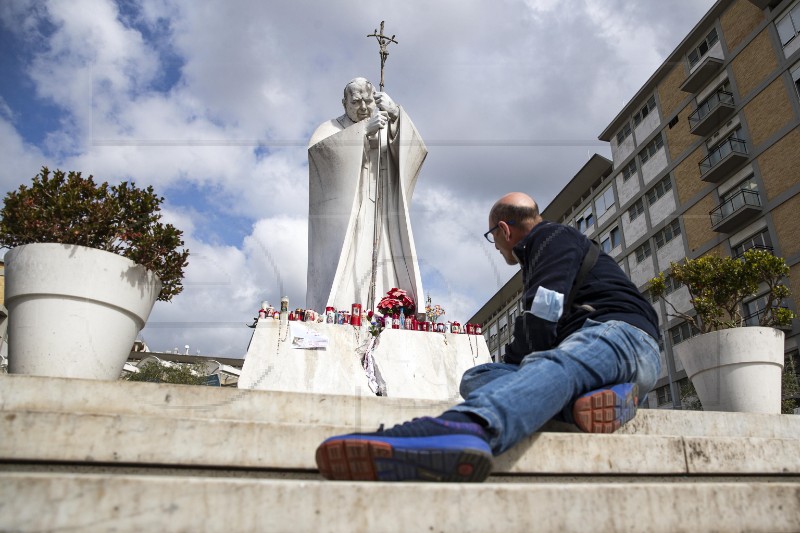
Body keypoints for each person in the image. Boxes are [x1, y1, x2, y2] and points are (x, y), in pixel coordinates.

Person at [315, 192, 661, 482]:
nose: (495, 246)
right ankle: (589, 404)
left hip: (621, 336)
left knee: (553, 363)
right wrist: (512, 368)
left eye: (492, 238)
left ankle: (466, 428)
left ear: (504, 229)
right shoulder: (542, 252)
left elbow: (543, 313)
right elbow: (536, 329)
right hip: (599, 357)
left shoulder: (553, 239)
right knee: (478, 376)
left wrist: (520, 365)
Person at [306, 77, 426, 314]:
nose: (362, 107)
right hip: (350, 211)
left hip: (383, 210)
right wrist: (361, 133)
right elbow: (319, 155)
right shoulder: (330, 128)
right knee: (350, 258)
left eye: (368, 101)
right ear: (344, 103)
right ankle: (343, 307)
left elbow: (414, 152)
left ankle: (388, 307)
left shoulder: (383, 120)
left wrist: (396, 117)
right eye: (355, 102)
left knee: (385, 257)